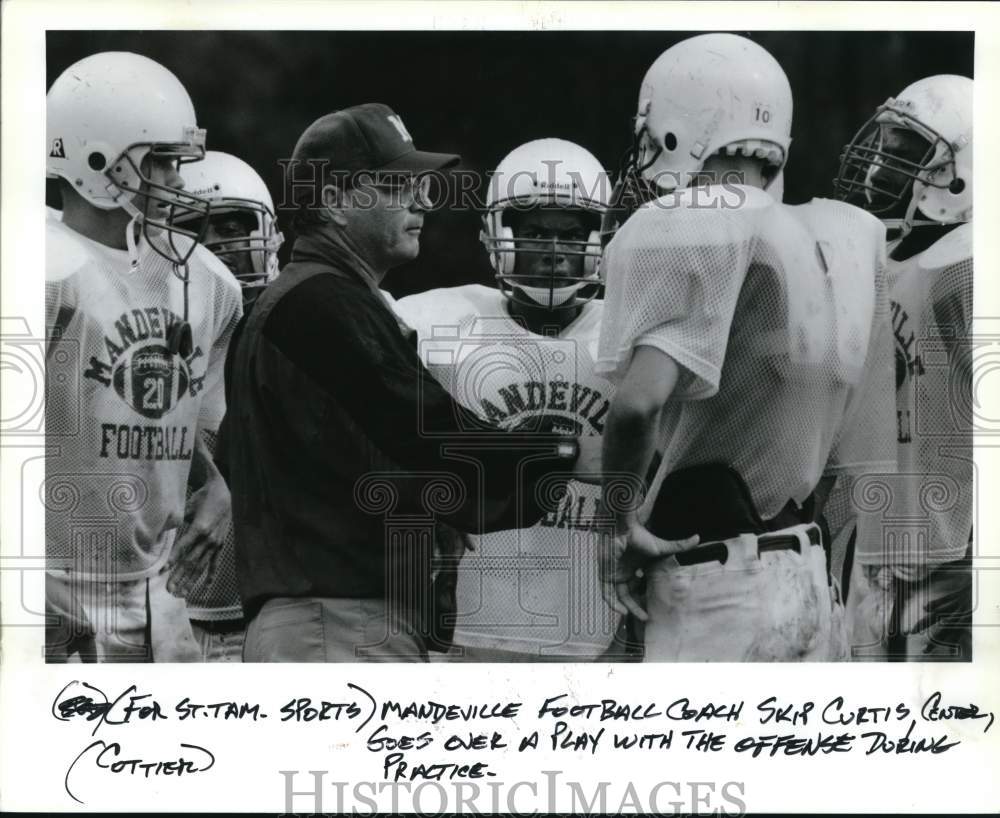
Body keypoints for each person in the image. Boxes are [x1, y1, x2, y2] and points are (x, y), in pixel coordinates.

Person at [227, 103, 582, 663]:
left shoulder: (310, 297)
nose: (421, 200)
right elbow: (427, 432)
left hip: (326, 620)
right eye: (396, 184)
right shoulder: (320, 303)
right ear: (334, 200)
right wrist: (565, 453)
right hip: (338, 620)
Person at [594, 33, 897, 662]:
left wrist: (614, 525)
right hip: (809, 577)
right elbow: (854, 464)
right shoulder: (845, 235)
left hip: (716, 582)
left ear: (678, 129)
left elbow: (636, 406)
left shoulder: (698, 220)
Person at [44, 52, 241, 662]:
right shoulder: (42, 266)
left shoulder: (207, 281)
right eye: (160, 161)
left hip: (156, 587)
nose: (178, 181)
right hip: (41, 582)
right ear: (95, 161)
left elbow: (197, 427)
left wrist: (217, 486)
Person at [394, 138, 623, 661]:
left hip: (596, 629)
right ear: (493, 234)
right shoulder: (435, 322)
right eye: (535, 231)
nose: (553, 249)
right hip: (467, 630)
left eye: (572, 233)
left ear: (601, 237)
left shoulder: (628, 334)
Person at [833, 74, 973, 661]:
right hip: (874, 541)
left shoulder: (967, 266)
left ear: (959, 171)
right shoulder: (883, 255)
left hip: (947, 552)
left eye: (903, 150)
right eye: (885, 144)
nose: (881, 163)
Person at [172, 150, 284, 661]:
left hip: (290, 621)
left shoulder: (324, 324)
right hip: (176, 622)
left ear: (273, 236)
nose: (217, 247)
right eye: (197, 229)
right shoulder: (150, 341)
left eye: (234, 226)